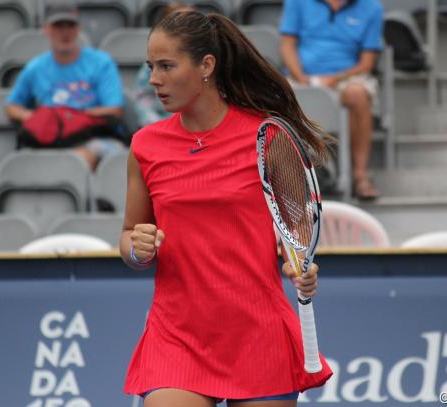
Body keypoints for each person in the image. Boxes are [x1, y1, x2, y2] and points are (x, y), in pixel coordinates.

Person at [119, 10, 333, 407]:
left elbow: (296, 227)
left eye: (167, 66)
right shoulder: (144, 146)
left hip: (257, 332)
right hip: (178, 334)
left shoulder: (265, 136)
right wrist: (137, 248)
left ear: (206, 66)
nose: (153, 79)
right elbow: (130, 235)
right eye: (151, 66)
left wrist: (297, 261)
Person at [280, 0, 384, 200]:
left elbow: (367, 62)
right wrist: (303, 79)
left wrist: (334, 79)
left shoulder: (372, 8)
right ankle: (282, 179)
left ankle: (360, 176)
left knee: (358, 94)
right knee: (273, 96)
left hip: (346, 78)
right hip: (300, 76)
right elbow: (287, 46)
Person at [5, 0, 125, 171]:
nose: (65, 32)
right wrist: (36, 118)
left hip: (91, 136)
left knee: (79, 159)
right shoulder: (36, 67)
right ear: (46, 29)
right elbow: (11, 107)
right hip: (50, 139)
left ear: (78, 28)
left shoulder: (101, 63)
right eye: (58, 26)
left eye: (70, 25)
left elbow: (114, 110)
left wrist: (71, 116)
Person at [132, 3, 193, 127]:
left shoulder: (203, 63)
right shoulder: (150, 67)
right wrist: (160, 127)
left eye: (191, 24)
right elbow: (143, 101)